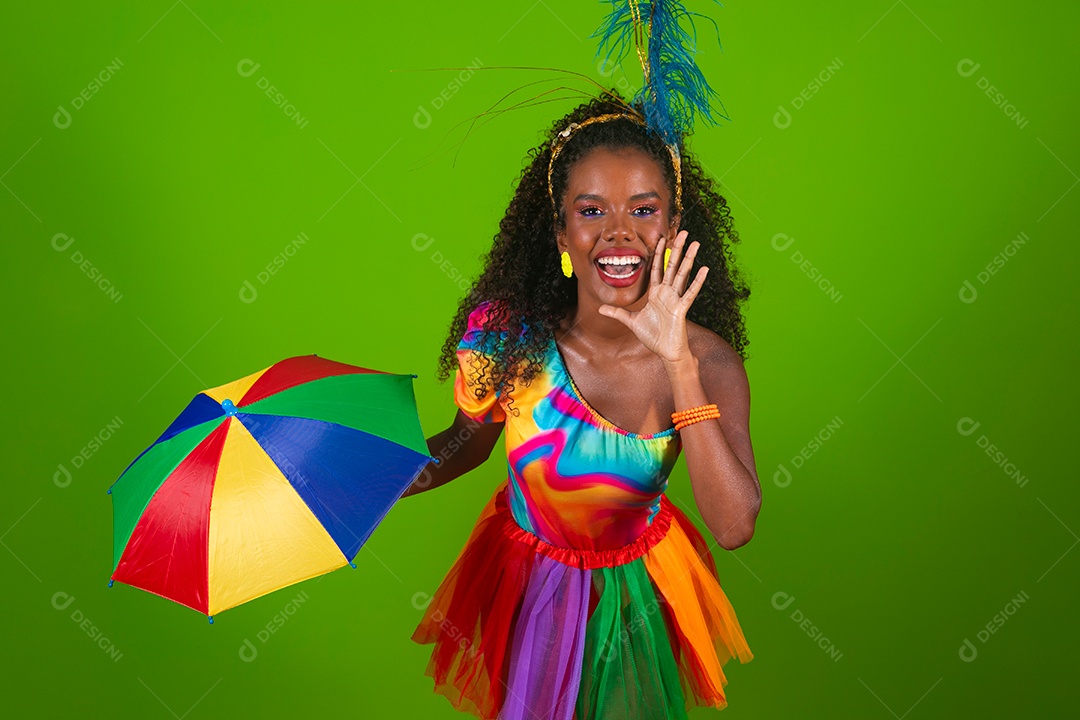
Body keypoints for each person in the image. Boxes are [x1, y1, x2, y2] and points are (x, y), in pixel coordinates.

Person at [401, 90, 759, 720]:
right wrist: (363, 477)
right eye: (591, 209)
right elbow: (463, 447)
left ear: (673, 231)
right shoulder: (506, 342)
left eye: (644, 210)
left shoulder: (709, 362)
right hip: (526, 581)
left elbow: (733, 527)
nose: (619, 232)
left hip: (632, 600)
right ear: (561, 231)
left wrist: (679, 363)